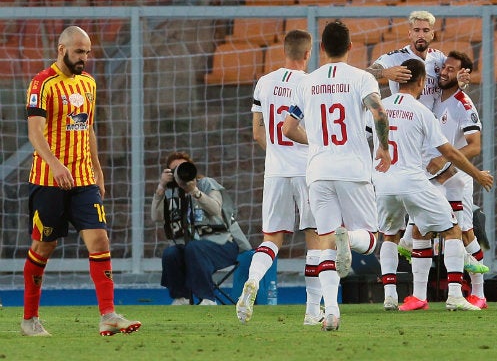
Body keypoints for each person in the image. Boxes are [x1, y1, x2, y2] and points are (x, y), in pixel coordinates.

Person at [23, 26, 141, 336]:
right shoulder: (42, 83)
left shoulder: (88, 83)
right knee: (43, 246)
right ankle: (29, 320)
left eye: (87, 52)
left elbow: (87, 128)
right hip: (49, 180)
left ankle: (108, 314)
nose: (84, 58)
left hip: (83, 179)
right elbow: (35, 132)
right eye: (79, 52)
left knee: (100, 240)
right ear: (61, 49)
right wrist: (54, 163)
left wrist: (98, 169)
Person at [282, 20, 391, 331]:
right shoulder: (361, 78)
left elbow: (287, 128)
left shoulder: (306, 82)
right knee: (369, 240)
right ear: (351, 47)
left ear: (321, 48)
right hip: (353, 170)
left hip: (317, 171)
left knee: (325, 243)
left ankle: (330, 311)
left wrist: (315, 141)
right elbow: (379, 112)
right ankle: (350, 238)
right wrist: (383, 148)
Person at [366, 11, 473, 309]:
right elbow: (367, 73)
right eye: (416, 29)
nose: (421, 34)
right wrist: (385, 75)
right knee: (441, 223)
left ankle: (438, 287)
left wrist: (461, 80)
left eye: (426, 29)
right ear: (409, 32)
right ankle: (458, 285)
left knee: (451, 211)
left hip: (432, 141)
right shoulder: (392, 58)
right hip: (410, 142)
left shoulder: (439, 59)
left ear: (434, 33)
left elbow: (452, 79)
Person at [371, 58, 493, 312]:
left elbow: (365, 136)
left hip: (383, 182)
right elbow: (450, 152)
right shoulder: (421, 111)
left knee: (390, 235)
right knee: (453, 230)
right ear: (421, 82)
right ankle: (456, 295)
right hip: (416, 180)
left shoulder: (379, 107)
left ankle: (390, 296)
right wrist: (478, 174)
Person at [236, 30, 323, 325]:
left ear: (284, 51)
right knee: (316, 237)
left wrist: (276, 155)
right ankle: (312, 312)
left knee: (271, 238)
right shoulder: (310, 84)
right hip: (306, 169)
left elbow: (257, 132)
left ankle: (254, 281)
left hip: (274, 170)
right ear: (308, 53)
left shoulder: (265, 82)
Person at [426, 51, 488, 309]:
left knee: (464, 232)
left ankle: (479, 293)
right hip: (438, 177)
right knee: (450, 231)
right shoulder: (437, 100)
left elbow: (475, 146)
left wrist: (446, 161)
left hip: (457, 178)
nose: (444, 72)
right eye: (444, 68)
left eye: (451, 69)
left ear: (463, 73)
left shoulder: (464, 104)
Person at [151, 151, 250, 306]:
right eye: (174, 169)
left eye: (182, 167)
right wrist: (161, 187)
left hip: (223, 245)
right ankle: (181, 298)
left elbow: (216, 209)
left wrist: (194, 191)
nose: (179, 172)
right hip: (191, 248)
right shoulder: (169, 192)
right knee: (171, 253)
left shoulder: (206, 184)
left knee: (194, 247)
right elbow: (156, 217)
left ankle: (208, 298)